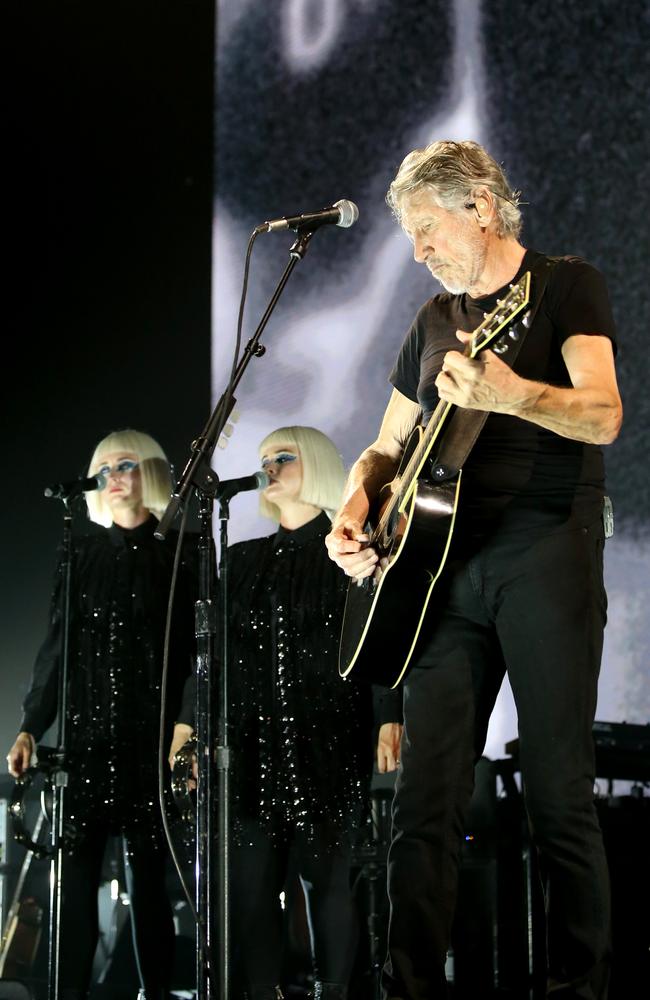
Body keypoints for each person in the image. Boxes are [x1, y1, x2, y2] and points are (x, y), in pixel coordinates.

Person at [325, 139, 623, 1000]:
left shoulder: (567, 287)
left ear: (481, 207)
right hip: (441, 579)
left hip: (545, 552)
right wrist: (354, 505)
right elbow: (383, 447)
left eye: (427, 228)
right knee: (424, 799)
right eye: (411, 235)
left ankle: (581, 987)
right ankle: (408, 985)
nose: (419, 250)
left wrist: (509, 395)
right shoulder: (428, 321)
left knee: (559, 791)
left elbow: (602, 414)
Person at [170, 425, 400, 1000]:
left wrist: (389, 714)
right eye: (263, 458)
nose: (268, 467)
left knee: (328, 884)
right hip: (249, 747)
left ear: (317, 464)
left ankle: (334, 990)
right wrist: (186, 725)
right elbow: (210, 658)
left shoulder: (351, 556)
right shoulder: (242, 562)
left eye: (282, 457)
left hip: (328, 740)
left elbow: (380, 644)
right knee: (249, 889)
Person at [7, 428, 198, 999]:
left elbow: (194, 653)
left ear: (153, 473)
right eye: (105, 467)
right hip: (87, 741)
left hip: (152, 741)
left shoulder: (180, 555)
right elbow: (56, 649)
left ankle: (157, 993)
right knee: (76, 882)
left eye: (127, 465)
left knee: (149, 886)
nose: (115, 476)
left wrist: (187, 732)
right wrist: (28, 727)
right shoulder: (81, 552)